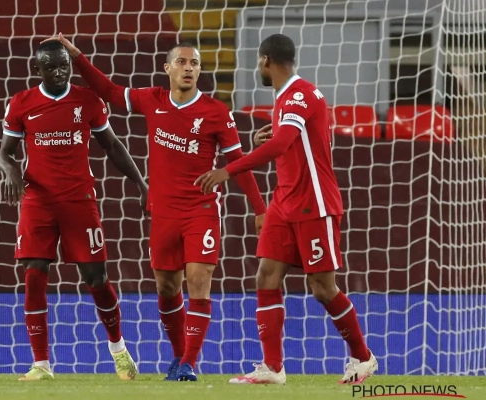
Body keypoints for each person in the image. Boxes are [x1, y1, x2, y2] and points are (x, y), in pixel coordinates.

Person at [42, 33, 267, 381]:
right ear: (167, 68)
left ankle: (189, 363)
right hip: (163, 212)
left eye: (194, 63)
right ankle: (179, 356)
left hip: (201, 210)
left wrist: (259, 208)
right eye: (182, 62)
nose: (188, 68)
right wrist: (78, 57)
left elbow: (238, 161)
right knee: (166, 287)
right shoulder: (153, 100)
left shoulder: (216, 112)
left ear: (199, 71)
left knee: (199, 283)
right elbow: (110, 92)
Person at [195, 34, 378, 385]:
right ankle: (273, 367)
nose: (258, 67)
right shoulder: (286, 98)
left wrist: (228, 170)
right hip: (284, 201)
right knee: (266, 275)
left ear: (266, 60)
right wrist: (264, 140)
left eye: (258, 61)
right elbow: (287, 142)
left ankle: (362, 356)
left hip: (314, 202)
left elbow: (281, 144)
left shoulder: (299, 94)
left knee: (322, 287)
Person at [0, 40, 147, 381]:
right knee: (34, 272)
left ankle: (118, 349)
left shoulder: (88, 100)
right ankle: (41, 364)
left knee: (97, 278)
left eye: (64, 64)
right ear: (37, 69)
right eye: (51, 66)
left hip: (79, 199)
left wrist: (142, 183)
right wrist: (10, 171)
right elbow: (4, 152)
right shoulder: (21, 103)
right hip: (38, 200)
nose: (59, 71)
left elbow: (112, 145)